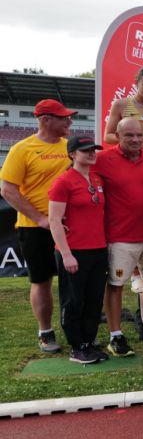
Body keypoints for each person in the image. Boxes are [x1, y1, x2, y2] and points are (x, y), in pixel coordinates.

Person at [0, 99, 74, 353]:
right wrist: (41, 218)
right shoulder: (22, 149)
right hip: (35, 227)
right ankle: (45, 331)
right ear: (45, 120)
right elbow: (8, 190)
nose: (69, 121)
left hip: (69, 227)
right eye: (63, 117)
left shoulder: (70, 147)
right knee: (41, 280)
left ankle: (76, 330)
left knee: (73, 280)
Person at [94, 117, 143, 357]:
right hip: (120, 237)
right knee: (116, 285)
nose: (135, 140)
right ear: (117, 134)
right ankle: (116, 335)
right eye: (129, 135)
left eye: (139, 135)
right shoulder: (103, 159)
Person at [47, 136, 109, 364]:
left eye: (93, 150)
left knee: (94, 300)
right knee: (73, 301)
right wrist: (66, 254)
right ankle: (76, 346)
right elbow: (54, 221)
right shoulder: (63, 182)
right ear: (72, 154)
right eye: (85, 150)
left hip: (98, 249)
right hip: (74, 250)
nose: (92, 154)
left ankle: (88, 342)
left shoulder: (97, 179)